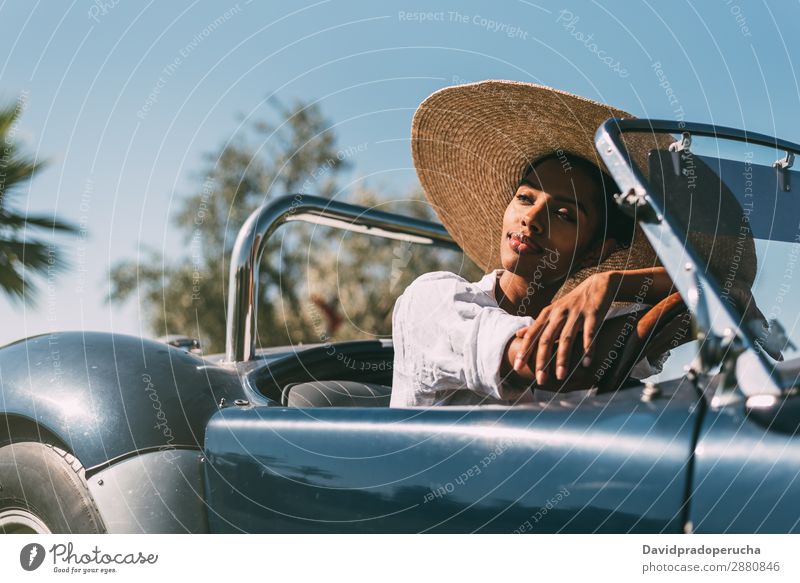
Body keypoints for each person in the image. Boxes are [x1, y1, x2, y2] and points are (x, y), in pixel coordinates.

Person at [390, 80, 675, 407]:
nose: (532, 218)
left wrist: (616, 282)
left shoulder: (586, 322)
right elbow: (547, 367)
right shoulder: (433, 299)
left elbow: (720, 297)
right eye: (525, 198)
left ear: (597, 251)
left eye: (564, 214)